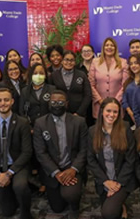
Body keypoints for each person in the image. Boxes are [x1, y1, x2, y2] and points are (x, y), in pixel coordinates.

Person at [33, 90, 88, 218]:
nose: (57, 104)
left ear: (67, 104)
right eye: (53, 102)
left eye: (60, 102)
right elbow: (41, 152)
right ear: (49, 104)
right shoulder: (40, 123)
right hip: (52, 171)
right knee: (57, 208)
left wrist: (73, 169)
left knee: (70, 195)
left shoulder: (79, 122)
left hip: (72, 167)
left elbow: (84, 149)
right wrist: (56, 173)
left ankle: (75, 206)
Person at [0, 88, 33, 218]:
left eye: (6, 100)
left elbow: (27, 152)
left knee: (20, 186)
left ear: (12, 101)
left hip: (17, 165)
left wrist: (9, 174)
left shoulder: (23, 122)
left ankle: (26, 212)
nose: (3, 103)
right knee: (7, 212)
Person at [87, 97, 135, 219]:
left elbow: (130, 160)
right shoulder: (92, 131)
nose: (111, 115)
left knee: (108, 213)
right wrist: (105, 181)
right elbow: (91, 159)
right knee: (110, 211)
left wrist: (117, 184)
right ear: (102, 111)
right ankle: (120, 205)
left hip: (122, 179)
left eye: (115, 112)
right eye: (108, 111)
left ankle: (121, 203)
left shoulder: (125, 128)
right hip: (104, 180)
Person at [89, 37, 128, 119]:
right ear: (103, 48)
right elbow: (91, 84)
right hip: (99, 105)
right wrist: (100, 100)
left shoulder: (123, 62)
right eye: (107, 45)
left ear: (115, 48)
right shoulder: (95, 62)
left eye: (112, 45)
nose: (109, 47)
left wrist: (115, 101)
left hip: (117, 105)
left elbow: (125, 85)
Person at [50, 50, 92, 117]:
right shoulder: (54, 75)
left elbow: (88, 95)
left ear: (75, 62)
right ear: (62, 61)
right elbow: (51, 94)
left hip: (79, 114)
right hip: (59, 113)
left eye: (72, 60)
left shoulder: (81, 75)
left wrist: (79, 112)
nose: (69, 62)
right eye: (66, 60)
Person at [122, 54, 140, 127]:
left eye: (136, 63)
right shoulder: (128, 81)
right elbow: (124, 100)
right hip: (129, 117)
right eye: (131, 64)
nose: (133, 66)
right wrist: (130, 113)